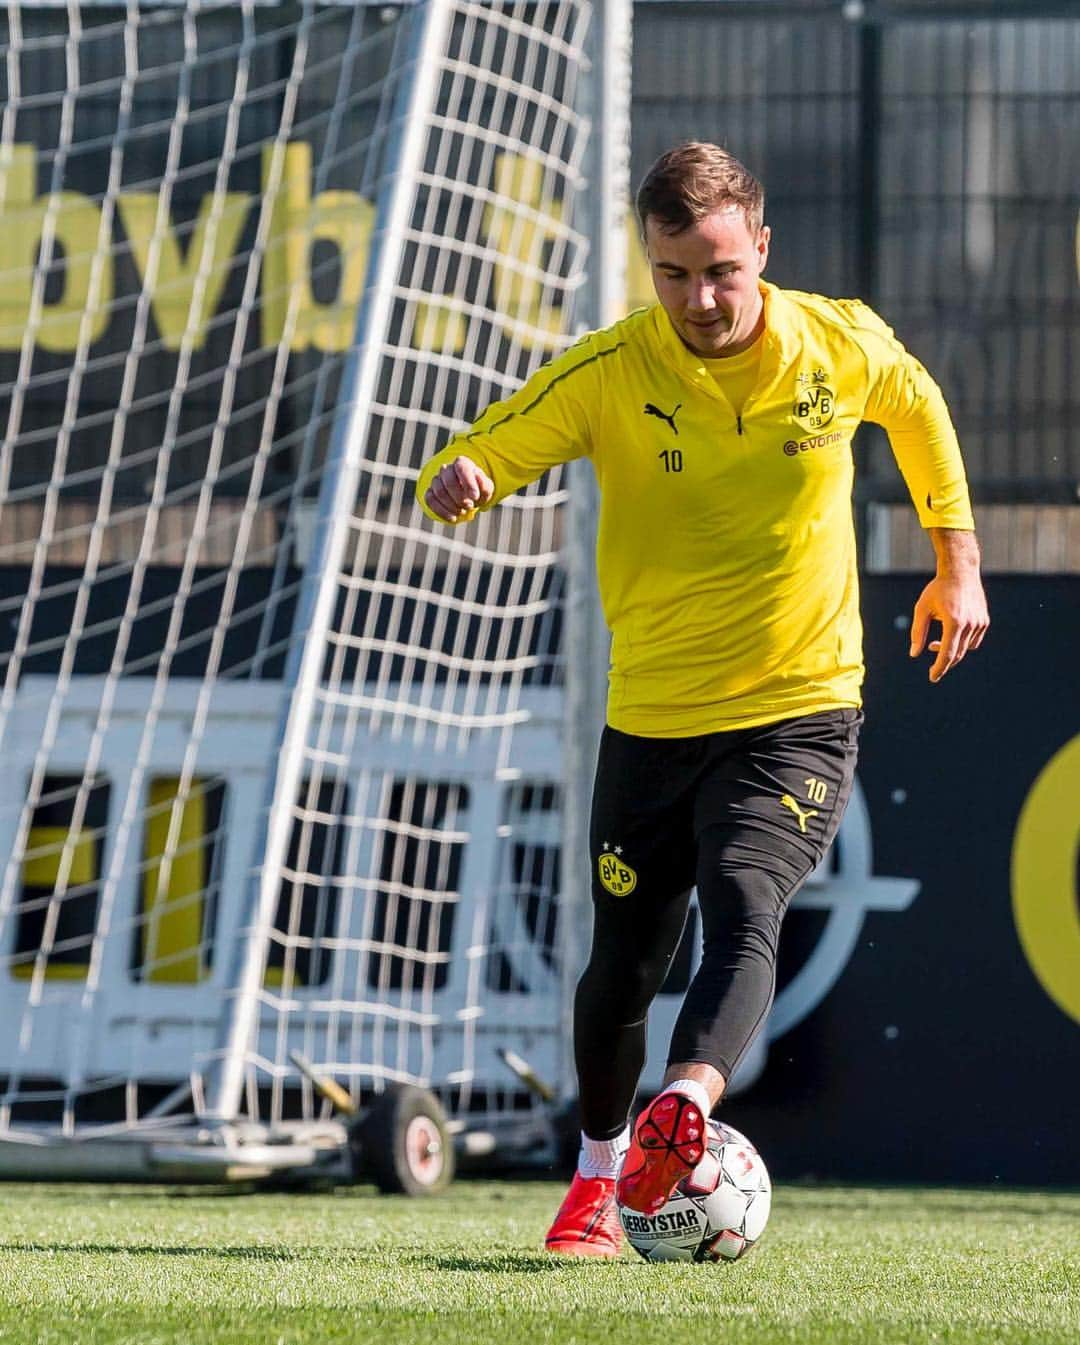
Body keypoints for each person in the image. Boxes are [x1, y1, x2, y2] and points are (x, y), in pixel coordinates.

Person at [415, 143, 989, 1257]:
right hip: (654, 715)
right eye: (674, 274)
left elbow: (916, 403)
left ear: (761, 250)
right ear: (651, 265)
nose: (700, 299)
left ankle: (680, 1112)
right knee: (624, 962)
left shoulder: (838, 342)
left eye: (721, 269)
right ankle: (593, 1175)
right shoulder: (613, 368)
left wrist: (955, 558)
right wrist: (464, 476)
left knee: (746, 897)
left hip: (800, 702)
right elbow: (494, 444)